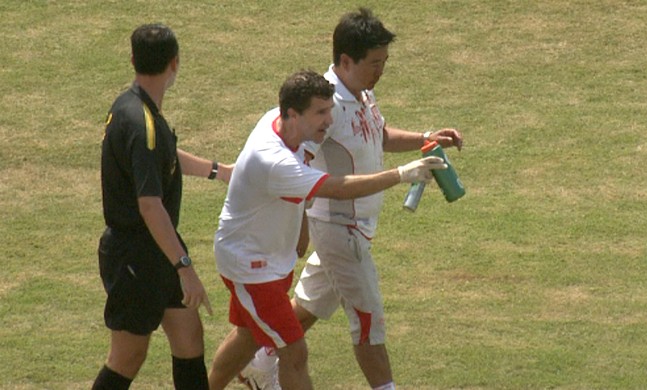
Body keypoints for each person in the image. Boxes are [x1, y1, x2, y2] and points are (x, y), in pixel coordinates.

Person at [239, 8, 464, 390]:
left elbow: (379, 135)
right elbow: (299, 163)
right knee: (367, 317)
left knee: (310, 305)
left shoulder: (362, 92)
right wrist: (302, 223)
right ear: (346, 60)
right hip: (339, 229)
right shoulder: (325, 106)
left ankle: (259, 363)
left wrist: (425, 138)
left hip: (355, 226)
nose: (381, 71)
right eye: (374, 63)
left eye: (384, 62)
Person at [207, 70, 445, 390]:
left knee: (250, 336)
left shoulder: (286, 128)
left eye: (330, 110)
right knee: (294, 352)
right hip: (251, 265)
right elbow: (335, 187)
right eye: (320, 113)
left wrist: (302, 226)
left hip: (268, 258)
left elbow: (299, 187)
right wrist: (402, 174)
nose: (329, 121)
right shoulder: (275, 160)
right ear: (291, 114)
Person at [93, 23, 232, 390]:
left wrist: (218, 171)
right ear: (176, 63)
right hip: (137, 256)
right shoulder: (143, 124)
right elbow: (150, 206)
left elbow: (163, 157)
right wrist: (183, 266)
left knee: (189, 337)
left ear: (133, 59)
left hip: (157, 251)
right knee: (128, 356)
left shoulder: (131, 107)